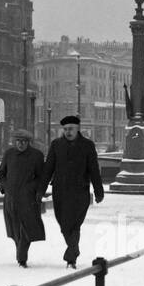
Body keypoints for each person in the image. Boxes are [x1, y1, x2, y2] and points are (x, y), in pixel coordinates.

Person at [40, 115, 104, 268]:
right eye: (65, 129)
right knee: (63, 223)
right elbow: (48, 168)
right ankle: (74, 249)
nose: (68, 132)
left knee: (74, 224)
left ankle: (71, 256)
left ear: (78, 129)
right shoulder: (56, 145)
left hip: (79, 191)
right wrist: (40, 189)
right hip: (60, 191)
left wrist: (98, 190)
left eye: (71, 129)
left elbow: (94, 169)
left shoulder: (87, 145)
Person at [0, 127, 46, 267]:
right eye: (18, 141)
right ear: (14, 141)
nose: (20, 144)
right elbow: (1, 173)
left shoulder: (37, 156)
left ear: (28, 142)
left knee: (27, 228)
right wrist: (3, 186)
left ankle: (21, 258)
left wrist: (36, 190)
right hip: (11, 199)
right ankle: (21, 254)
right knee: (15, 229)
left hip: (28, 199)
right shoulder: (9, 154)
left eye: (24, 141)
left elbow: (42, 177)